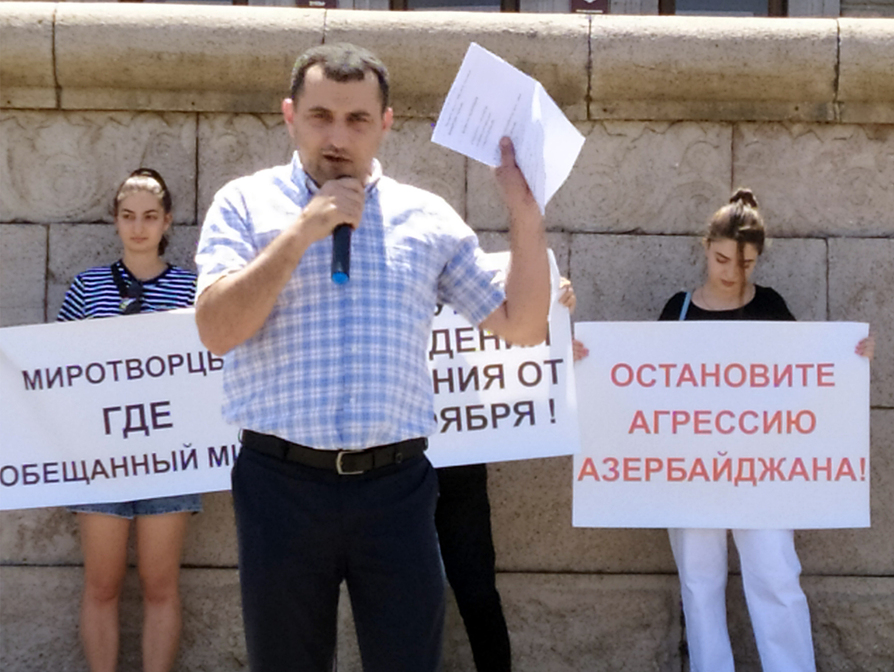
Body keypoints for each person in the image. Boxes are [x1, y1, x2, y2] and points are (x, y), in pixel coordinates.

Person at [193, 43, 549, 672]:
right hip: (281, 486)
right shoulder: (245, 204)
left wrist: (524, 212)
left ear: (386, 123)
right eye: (320, 115)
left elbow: (521, 324)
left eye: (357, 119)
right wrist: (302, 231)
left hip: (397, 491)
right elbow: (218, 330)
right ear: (289, 115)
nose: (337, 136)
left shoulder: (428, 217)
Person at [658, 188, 873, 672]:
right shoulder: (679, 309)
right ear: (705, 247)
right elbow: (643, 381)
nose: (732, 273)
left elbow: (808, 376)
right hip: (691, 468)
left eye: (746, 263)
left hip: (763, 470)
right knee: (698, 581)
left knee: (775, 575)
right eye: (721, 259)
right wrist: (594, 359)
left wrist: (850, 359)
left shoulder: (770, 305)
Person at [58, 168, 199, 672]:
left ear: (167, 222)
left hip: (169, 456)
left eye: (149, 217)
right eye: (128, 216)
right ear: (115, 220)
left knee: (161, 585)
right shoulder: (87, 285)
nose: (138, 227)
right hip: (100, 457)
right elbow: (57, 369)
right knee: (102, 584)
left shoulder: (193, 288)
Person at [434, 278, 576, 672]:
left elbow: (519, 341)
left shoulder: (469, 292)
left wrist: (554, 309)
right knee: (401, 601)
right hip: (397, 474)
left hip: (460, 474)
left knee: (478, 594)